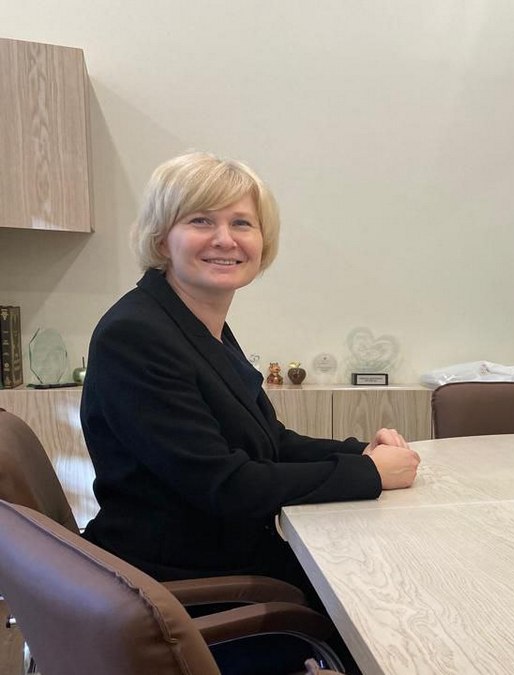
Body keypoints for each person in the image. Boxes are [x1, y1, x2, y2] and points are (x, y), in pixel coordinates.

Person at [80, 152, 421, 593]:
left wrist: (361, 453)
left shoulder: (195, 322)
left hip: (228, 554)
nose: (225, 239)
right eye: (201, 221)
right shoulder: (135, 335)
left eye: (241, 223)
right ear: (162, 239)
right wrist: (369, 473)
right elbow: (225, 484)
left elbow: (271, 442)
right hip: (184, 581)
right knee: (391, 589)